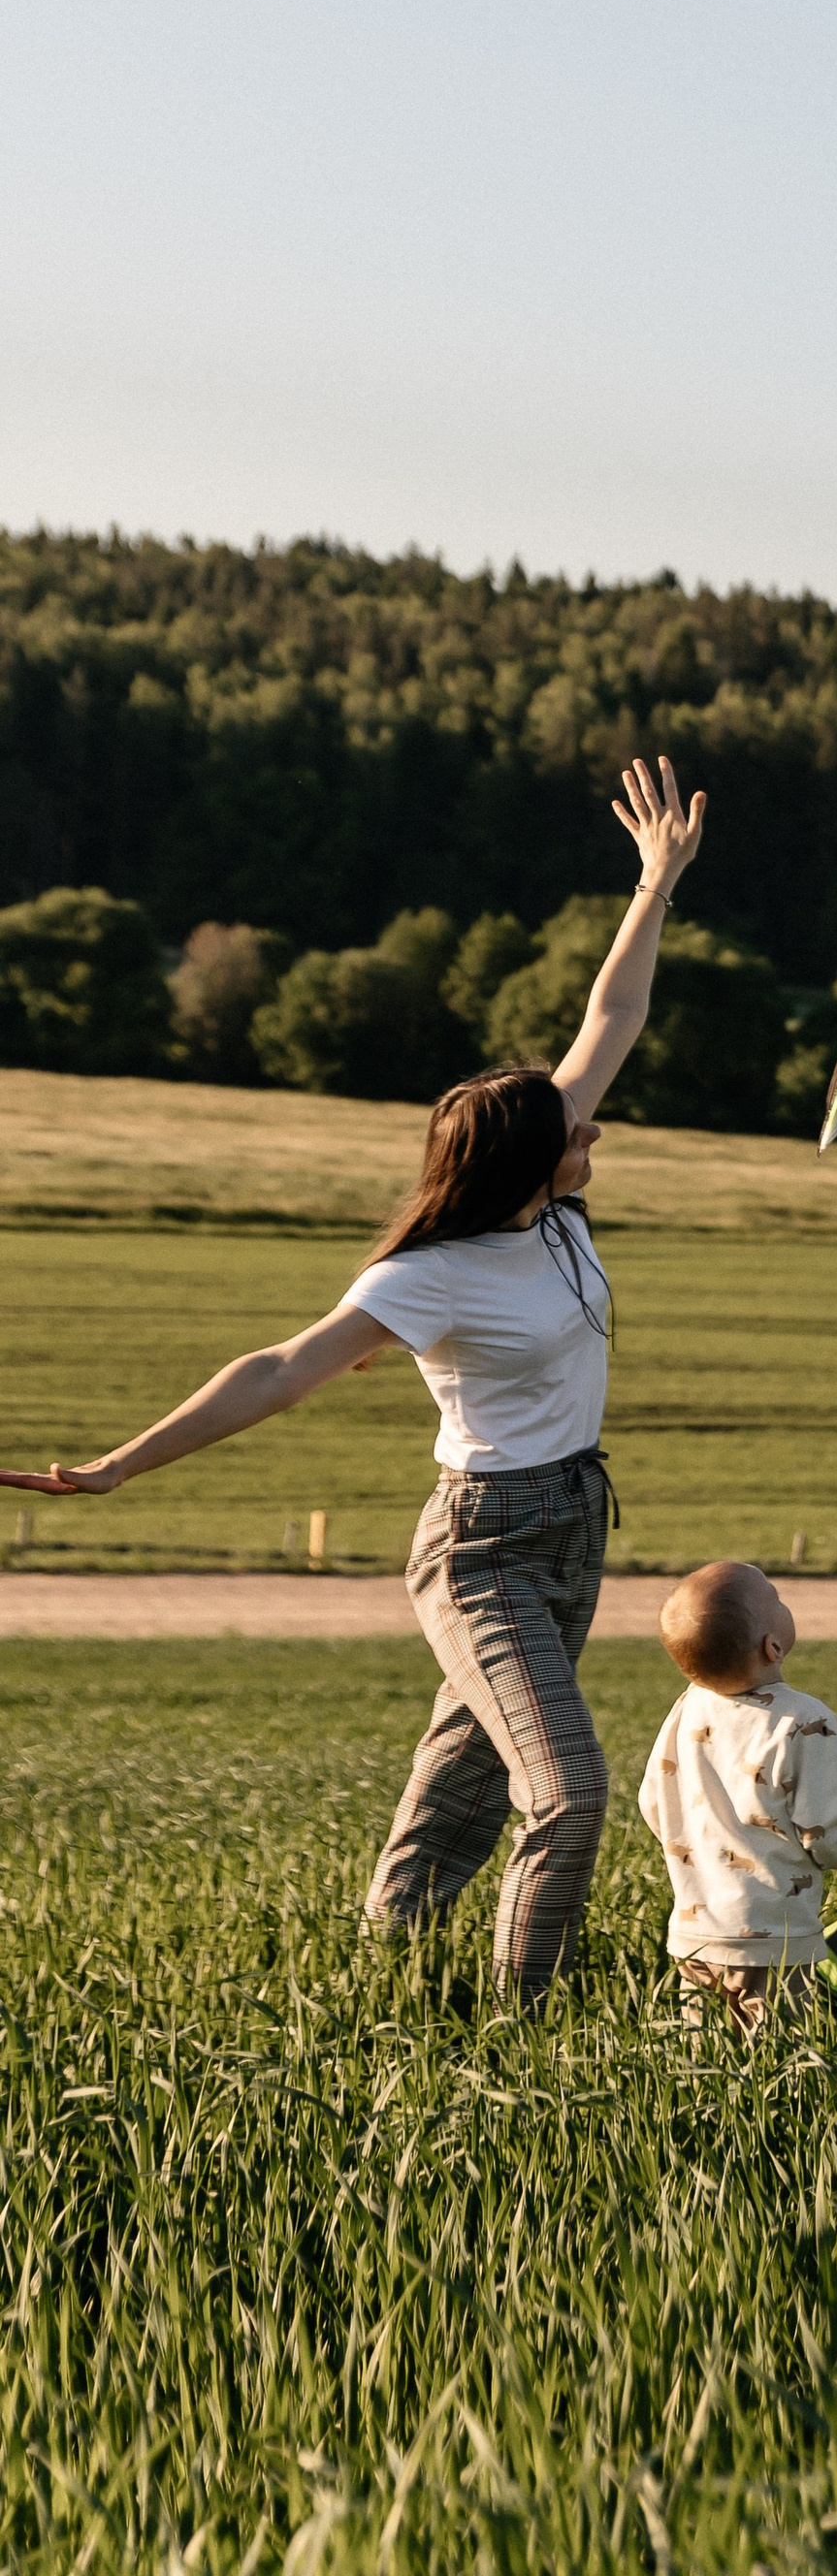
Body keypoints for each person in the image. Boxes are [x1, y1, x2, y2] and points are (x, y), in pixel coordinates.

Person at [0, 755, 706, 2004]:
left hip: (573, 1521)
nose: (595, 1126)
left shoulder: (548, 1203)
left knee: (469, 1764)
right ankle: (526, 2016)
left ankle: (392, 1959)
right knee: (569, 1790)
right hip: (484, 1544)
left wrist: (653, 883)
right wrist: (117, 1467)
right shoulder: (429, 1276)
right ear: (528, 1162)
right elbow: (280, 1368)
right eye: (577, 1128)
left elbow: (614, 1017)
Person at [638, 1559, 837, 2035]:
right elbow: (821, 1829)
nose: (782, 1601)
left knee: (704, 2050)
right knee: (777, 2049)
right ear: (773, 1646)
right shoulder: (804, 1720)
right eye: (776, 1599)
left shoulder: (689, 1705)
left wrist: (697, 1851)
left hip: (693, 1929)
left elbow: (653, 1800)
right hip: (772, 1939)